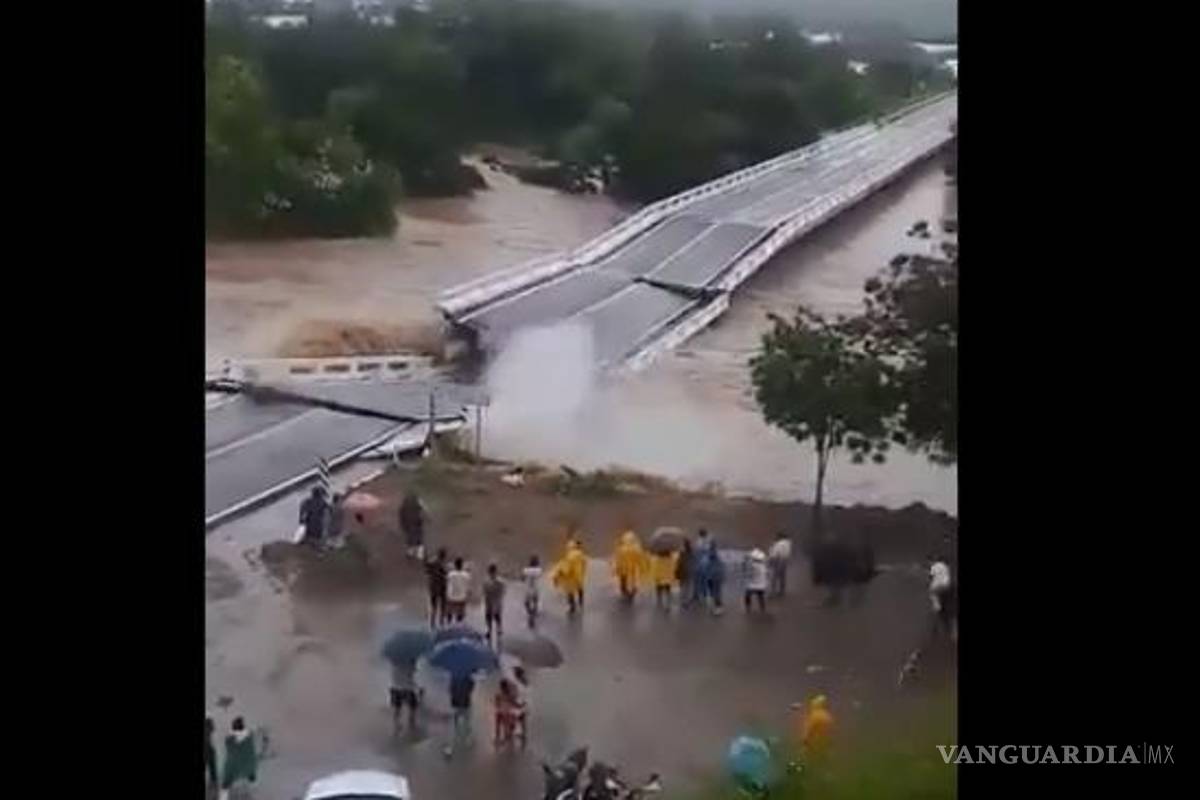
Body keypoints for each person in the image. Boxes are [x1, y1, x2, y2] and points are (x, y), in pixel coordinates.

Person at [219, 716, 258, 800]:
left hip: (235, 768)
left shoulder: (229, 740)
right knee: (251, 771)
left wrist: (230, 734)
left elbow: (229, 750)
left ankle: (223, 797)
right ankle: (253, 788)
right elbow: (252, 731)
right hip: (250, 765)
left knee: (226, 782)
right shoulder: (250, 735)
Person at [551, 538, 588, 615]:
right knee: (580, 587)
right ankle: (581, 601)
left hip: (571, 577)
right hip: (579, 575)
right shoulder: (581, 554)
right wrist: (583, 572)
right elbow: (585, 563)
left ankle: (572, 607)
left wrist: (559, 573)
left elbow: (566, 569)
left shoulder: (570, 556)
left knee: (570, 592)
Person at [445, 672, 475, 757]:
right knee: (466, 722)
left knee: (454, 725)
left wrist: (455, 693)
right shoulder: (468, 678)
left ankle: (449, 748)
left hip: (456, 704)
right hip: (465, 703)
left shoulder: (454, 677)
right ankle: (467, 739)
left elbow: (450, 690)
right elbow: (471, 688)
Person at [612, 530, 647, 602]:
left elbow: (618, 559)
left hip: (623, 568)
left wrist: (616, 568)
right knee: (633, 579)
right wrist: (642, 568)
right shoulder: (636, 549)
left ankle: (624, 591)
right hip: (632, 568)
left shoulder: (621, 549)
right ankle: (633, 590)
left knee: (623, 580)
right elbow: (640, 560)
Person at [389, 663, 421, 736]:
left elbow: (394, 676)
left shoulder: (395, 663)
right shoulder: (409, 663)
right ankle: (411, 723)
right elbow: (412, 674)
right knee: (412, 707)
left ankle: (397, 725)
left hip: (396, 688)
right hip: (407, 689)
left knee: (397, 708)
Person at [800, 695, 835, 760]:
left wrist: (805, 742)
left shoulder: (814, 716)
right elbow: (831, 732)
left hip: (814, 744)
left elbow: (809, 730)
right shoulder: (827, 716)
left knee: (813, 763)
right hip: (825, 744)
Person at [929, 555, 956, 641]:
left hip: (937, 589)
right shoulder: (946, 567)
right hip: (947, 587)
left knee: (938, 606)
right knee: (949, 609)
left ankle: (938, 629)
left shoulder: (934, 566)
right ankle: (953, 633)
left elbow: (931, 576)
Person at [493, 678, 522, 748]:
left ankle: (498, 739)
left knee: (499, 726)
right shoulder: (509, 694)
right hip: (506, 712)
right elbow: (514, 703)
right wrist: (520, 706)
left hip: (500, 711)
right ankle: (506, 739)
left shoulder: (498, 694)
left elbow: (496, 704)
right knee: (507, 726)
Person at [425, 548, 449, 628]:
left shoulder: (432, 562)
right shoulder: (442, 564)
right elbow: (445, 574)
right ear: (443, 555)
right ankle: (441, 622)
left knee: (434, 606)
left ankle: (432, 623)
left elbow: (427, 571)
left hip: (433, 586)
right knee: (442, 605)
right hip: (441, 586)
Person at [483, 563, 506, 645]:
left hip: (492, 601)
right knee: (494, 616)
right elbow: (503, 592)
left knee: (493, 616)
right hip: (494, 601)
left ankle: (492, 630)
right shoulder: (500, 581)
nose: (492, 573)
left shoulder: (487, 582)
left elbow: (485, 592)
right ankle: (494, 630)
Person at [399, 491, 426, 560]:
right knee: (418, 536)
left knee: (411, 537)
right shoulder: (417, 501)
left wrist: (403, 525)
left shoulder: (403, 505)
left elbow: (401, 516)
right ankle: (419, 553)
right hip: (416, 522)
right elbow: (424, 510)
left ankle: (411, 552)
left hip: (409, 523)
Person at [446, 557, 471, 623]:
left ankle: (449, 624)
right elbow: (468, 586)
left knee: (449, 613)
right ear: (462, 565)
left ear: (455, 565)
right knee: (460, 615)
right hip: (462, 597)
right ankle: (458, 625)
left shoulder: (450, 574)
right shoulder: (466, 575)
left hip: (452, 596)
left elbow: (448, 583)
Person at [768, 531, 792, 597]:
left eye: (777, 536)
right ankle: (782, 591)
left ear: (780, 537)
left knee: (774, 577)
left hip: (778, 560)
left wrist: (770, 560)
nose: (776, 537)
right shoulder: (788, 543)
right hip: (785, 560)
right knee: (782, 576)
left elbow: (775, 553)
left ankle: (772, 592)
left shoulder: (779, 544)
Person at [744, 549, 769, 613]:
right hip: (761, 585)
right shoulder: (763, 566)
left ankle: (748, 608)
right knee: (760, 596)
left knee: (747, 595)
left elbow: (749, 574)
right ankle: (762, 608)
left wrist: (746, 561)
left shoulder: (753, 566)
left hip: (753, 585)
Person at [522, 555, 543, 630]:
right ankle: (533, 614)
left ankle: (530, 614)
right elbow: (540, 577)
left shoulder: (525, 570)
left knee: (526, 604)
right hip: (536, 590)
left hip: (528, 590)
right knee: (535, 603)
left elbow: (522, 578)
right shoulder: (539, 570)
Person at [676, 539, 696, 609]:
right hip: (690, 572)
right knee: (689, 587)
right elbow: (694, 562)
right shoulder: (693, 553)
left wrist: (677, 571)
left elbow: (679, 563)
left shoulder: (681, 553)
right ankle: (686, 601)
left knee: (683, 587)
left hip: (683, 572)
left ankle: (683, 601)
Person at [205, 716, 218, 792]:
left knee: (212, 765)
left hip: (208, 751)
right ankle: (213, 781)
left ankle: (213, 781)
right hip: (207, 752)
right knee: (212, 765)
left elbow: (208, 741)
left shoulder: (208, 731)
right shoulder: (207, 730)